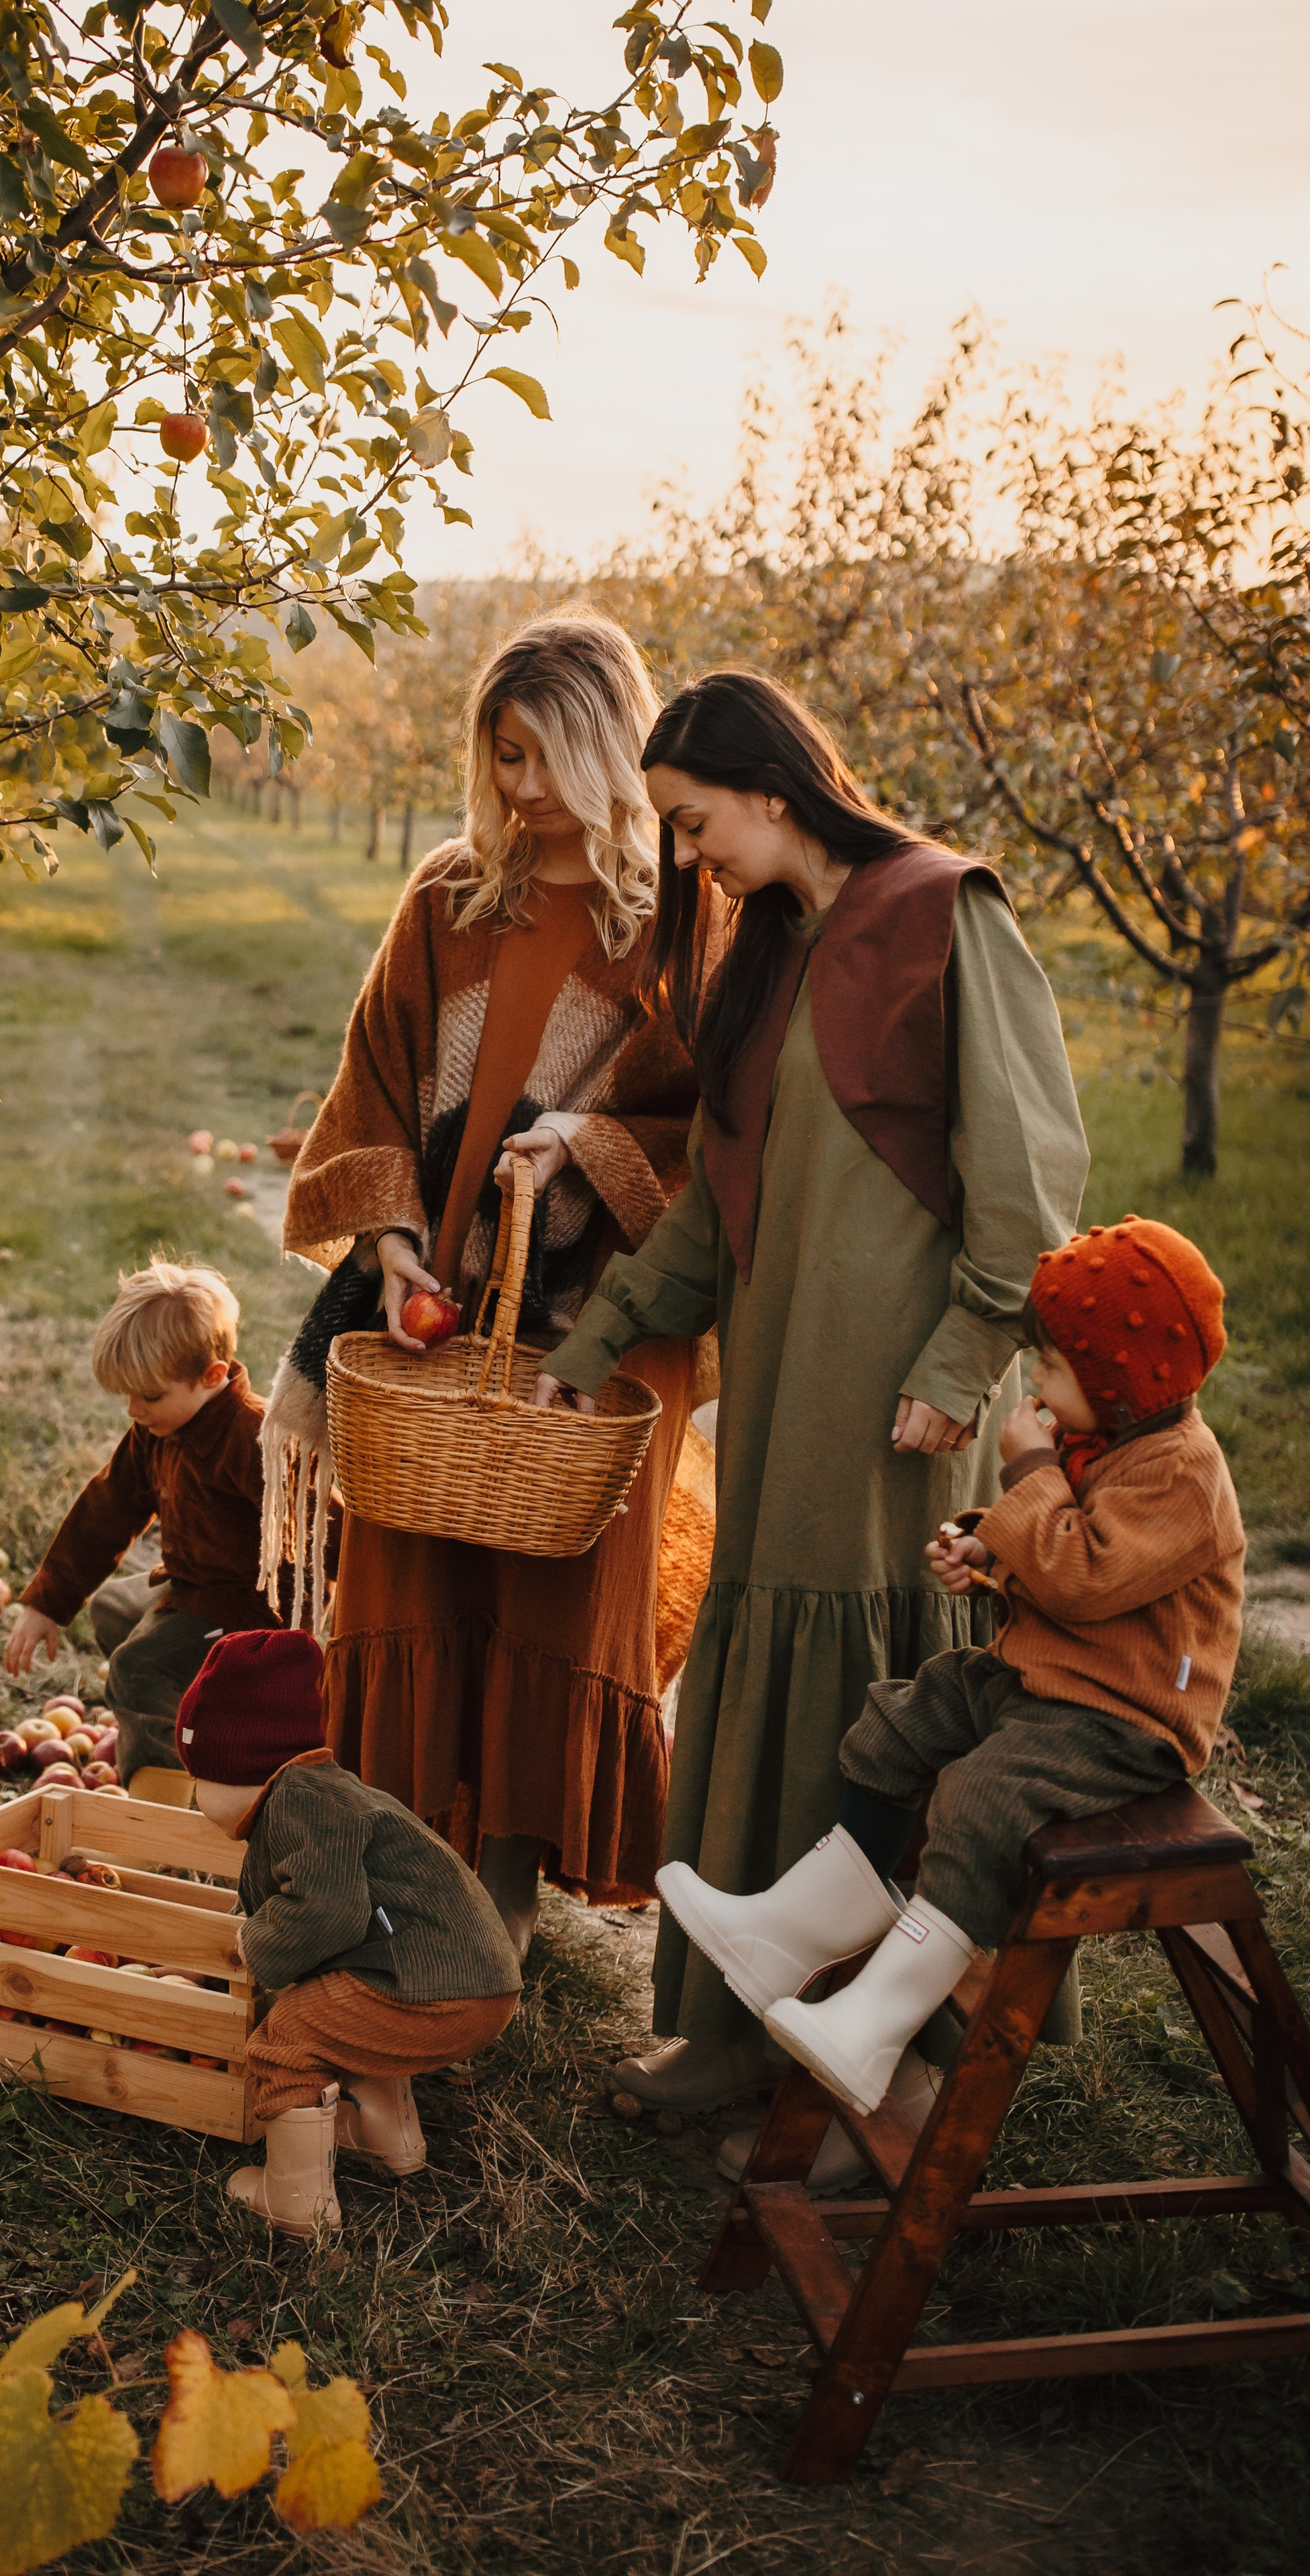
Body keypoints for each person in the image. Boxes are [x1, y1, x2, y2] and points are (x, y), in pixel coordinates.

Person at [534, 669, 1089, 2129]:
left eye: (692, 819)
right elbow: (720, 1206)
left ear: (769, 790)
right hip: (782, 1376)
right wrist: (592, 1346)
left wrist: (961, 1361)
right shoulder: (769, 950)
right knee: (769, 1659)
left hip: (903, 1388)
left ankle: (893, 2067)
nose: (686, 854)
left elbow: (1026, 1176)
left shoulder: (940, 911)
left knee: (877, 1692)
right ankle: (734, 2033)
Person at [262, 611, 713, 1955]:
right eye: (500, 754)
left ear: (609, 753)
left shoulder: (684, 930)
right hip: (437, 1323)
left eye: (544, 756)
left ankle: (501, 1906)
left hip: (603, 1330)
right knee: (412, 1584)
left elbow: (721, 1140)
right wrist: (394, 1249)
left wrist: (584, 1143)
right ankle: (414, 1871)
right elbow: (375, 1095)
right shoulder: (449, 900)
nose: (519, 788)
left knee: (548, 1602)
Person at [658, 1218, 1244, 2117]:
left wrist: (1032, 1477)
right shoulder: (1112, 1444)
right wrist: (991, 1559)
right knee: (905, 1716)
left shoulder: (1181, 1476)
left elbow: (1089, 1578)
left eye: (1051, 1369)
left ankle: (877, 2024)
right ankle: (793, 1931)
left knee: (981, 1797)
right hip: (1048, 1682)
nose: (1038, 1386)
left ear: (1121, 1383)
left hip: (1125, 1721)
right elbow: (1062, 1567)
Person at [174, 1629, 521, 2238]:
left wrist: (250, 1947)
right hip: (468, 1980)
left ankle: (295, 2202)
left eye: (198, 1777)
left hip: (436, 1988)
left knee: (288, 2039)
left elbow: (326, 1913)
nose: (196, 1794)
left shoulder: (301, 1802)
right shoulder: (322, 1792)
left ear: (239, 1763)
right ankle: (386, 2135)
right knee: (349, 2017)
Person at [7, 1258, 317, 1803]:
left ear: (213, 1377)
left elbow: (322, 1528)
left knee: (137, 1666)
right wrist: (47, 1603)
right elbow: (109, 1507)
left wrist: (308, 1641)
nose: (134, 1410)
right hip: (192, 1587)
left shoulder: (256, 1441)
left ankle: (171, 1809)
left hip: (252, 1611)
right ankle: (193, 1728)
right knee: (113, 1610)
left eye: (149, 1397)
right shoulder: (158, 1430)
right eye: (127, 1396)